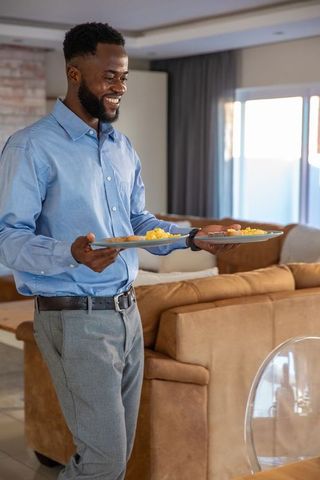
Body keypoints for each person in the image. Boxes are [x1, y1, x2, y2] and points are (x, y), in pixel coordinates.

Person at [0, 22, 240, 480]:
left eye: (124, 77)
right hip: (75, 318)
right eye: (110, 76)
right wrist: (70, 253)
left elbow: (138, 224)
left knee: (112, 456)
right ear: (74, 73)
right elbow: (7, 237)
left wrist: (191, 237)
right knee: (105, 461)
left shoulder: (121, 148)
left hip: (128, 315)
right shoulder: (32, 147)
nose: (120, 87)